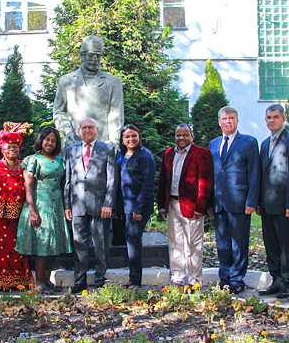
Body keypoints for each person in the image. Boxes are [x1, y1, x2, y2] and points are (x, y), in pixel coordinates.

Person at [209, 106, 260, 294]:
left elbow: (254, 173)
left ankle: (237, 279)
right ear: (219, 122)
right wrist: (210, 203)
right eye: (224, 118)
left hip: (240, 202)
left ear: (237, 120)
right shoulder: (214, 144)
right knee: (222, 243)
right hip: (219, 202)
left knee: (239, 242)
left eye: (231, 118)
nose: (228, 121)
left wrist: (251, 201)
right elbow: (212, 174)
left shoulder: (248, 142)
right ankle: (225, 278)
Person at [16, 127, 72, 293]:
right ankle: (39, 283)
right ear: (41, 140)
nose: (50, 143)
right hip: (40, 205)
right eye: (47, 139)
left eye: (53, 140)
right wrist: (32, 210)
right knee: (42, 246)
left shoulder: (60, 160)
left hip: (56, 206)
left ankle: (47, 280)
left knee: (52, 246)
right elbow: (28, 185)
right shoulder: (33, 160)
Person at [64, 118, 117, 293]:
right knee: (79, 243)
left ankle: (100, 279)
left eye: (91, 127)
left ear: (97, 129)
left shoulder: (107, 149)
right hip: (77, 205)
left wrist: (108, 203)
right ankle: (80, 281)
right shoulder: (71, 151)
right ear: (79, 130)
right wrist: (67, 205)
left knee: (101, 245)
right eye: (84, 128)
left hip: (100, 206)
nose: (87, 130)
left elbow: (112, 180)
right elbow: (68, 180)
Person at [257, 104, 289, 299]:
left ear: (284, 119)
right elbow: (262, 175)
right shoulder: (265, 143)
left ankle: (288, 282)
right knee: (271, 245)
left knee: (287, 245)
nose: (271, 121)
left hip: (285, 205)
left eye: (275, 117)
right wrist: (259, 202)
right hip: (267, 205)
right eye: (268, 117)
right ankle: (276, 280)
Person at [157, 124, 213, 286]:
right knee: (175, 243)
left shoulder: (202, 153)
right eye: (178, 135)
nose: (182, 138)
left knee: (193, 245)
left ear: (191, 136)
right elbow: (163, 181)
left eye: (185, 135)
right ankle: (177, 277)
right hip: (173, 204)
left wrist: (200, 207)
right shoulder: (168, 153)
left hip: (192, 206)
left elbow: (206, 183)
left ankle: (195, 279)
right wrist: (162, 206)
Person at [0, 122, 34, 290]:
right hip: (0, 215)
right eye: (8, 146)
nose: (12, 149)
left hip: (20, 214)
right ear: (2, 148)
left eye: (15, 146)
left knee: (19, 248)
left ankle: (19, 281)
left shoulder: (24, 166)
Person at [53, 35, 124, 148]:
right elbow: (59, 112)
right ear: (82, 55)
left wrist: (114, 142)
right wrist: (67, 131)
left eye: (98, 56)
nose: (95, 60)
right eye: (91, 55)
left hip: (103, 146)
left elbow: (115, 115)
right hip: (74, 146)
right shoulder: (66, 81)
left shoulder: (113, 82)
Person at [116, 124, 155, 288]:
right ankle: (132, 278)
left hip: (137, 207)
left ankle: (136, 280)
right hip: (123, 206)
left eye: (134, 136)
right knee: (129, 241)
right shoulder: (121, 155)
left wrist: (138, 208)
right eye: (127, 137)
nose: (130, 139)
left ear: (139, 137)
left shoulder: (145, 156)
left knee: (134, 241)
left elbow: (148, 184)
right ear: (122, 139)